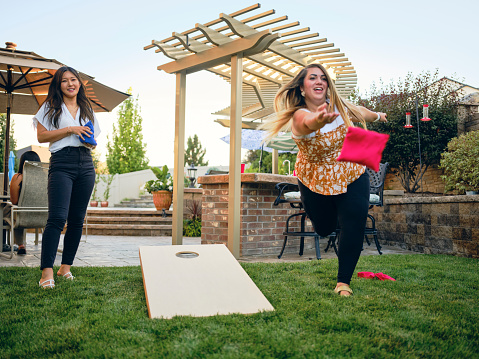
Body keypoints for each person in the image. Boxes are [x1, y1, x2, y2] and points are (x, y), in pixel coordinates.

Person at [262, 63, 387, 296]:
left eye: (323, 78)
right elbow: (307, 123)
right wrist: (319, 120)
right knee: (324, 228)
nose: (319, 81)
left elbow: (362, 111)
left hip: (351, 171)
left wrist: (379, 116)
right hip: (314, 179)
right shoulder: (299, 115)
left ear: (328, 86)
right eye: (312, 78)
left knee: (354, 223)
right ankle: (336, 220)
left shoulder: (339, 106)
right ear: (302, 88)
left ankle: (343, 282)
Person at [33, 66, 100, 289]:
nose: (70, 84)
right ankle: (46, 272)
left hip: (86, 163)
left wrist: (88, 140)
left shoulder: (86, 107)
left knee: (77, 220)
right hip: (62, 162)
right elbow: (42, 136)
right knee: (56, 218)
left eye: (74, 80)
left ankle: (65, 268)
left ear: (79, 83)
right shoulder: (50, 106)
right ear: (58, 85)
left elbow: (92, 139)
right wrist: (71, 129)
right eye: (64, 81)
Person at [3, 150, 41, 255]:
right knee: (18, 210)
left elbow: (14, 200)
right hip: (42, 216)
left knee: (12, 209)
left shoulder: (18, 177)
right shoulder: (46, 177)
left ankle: (19, 245)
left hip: (22, 216)